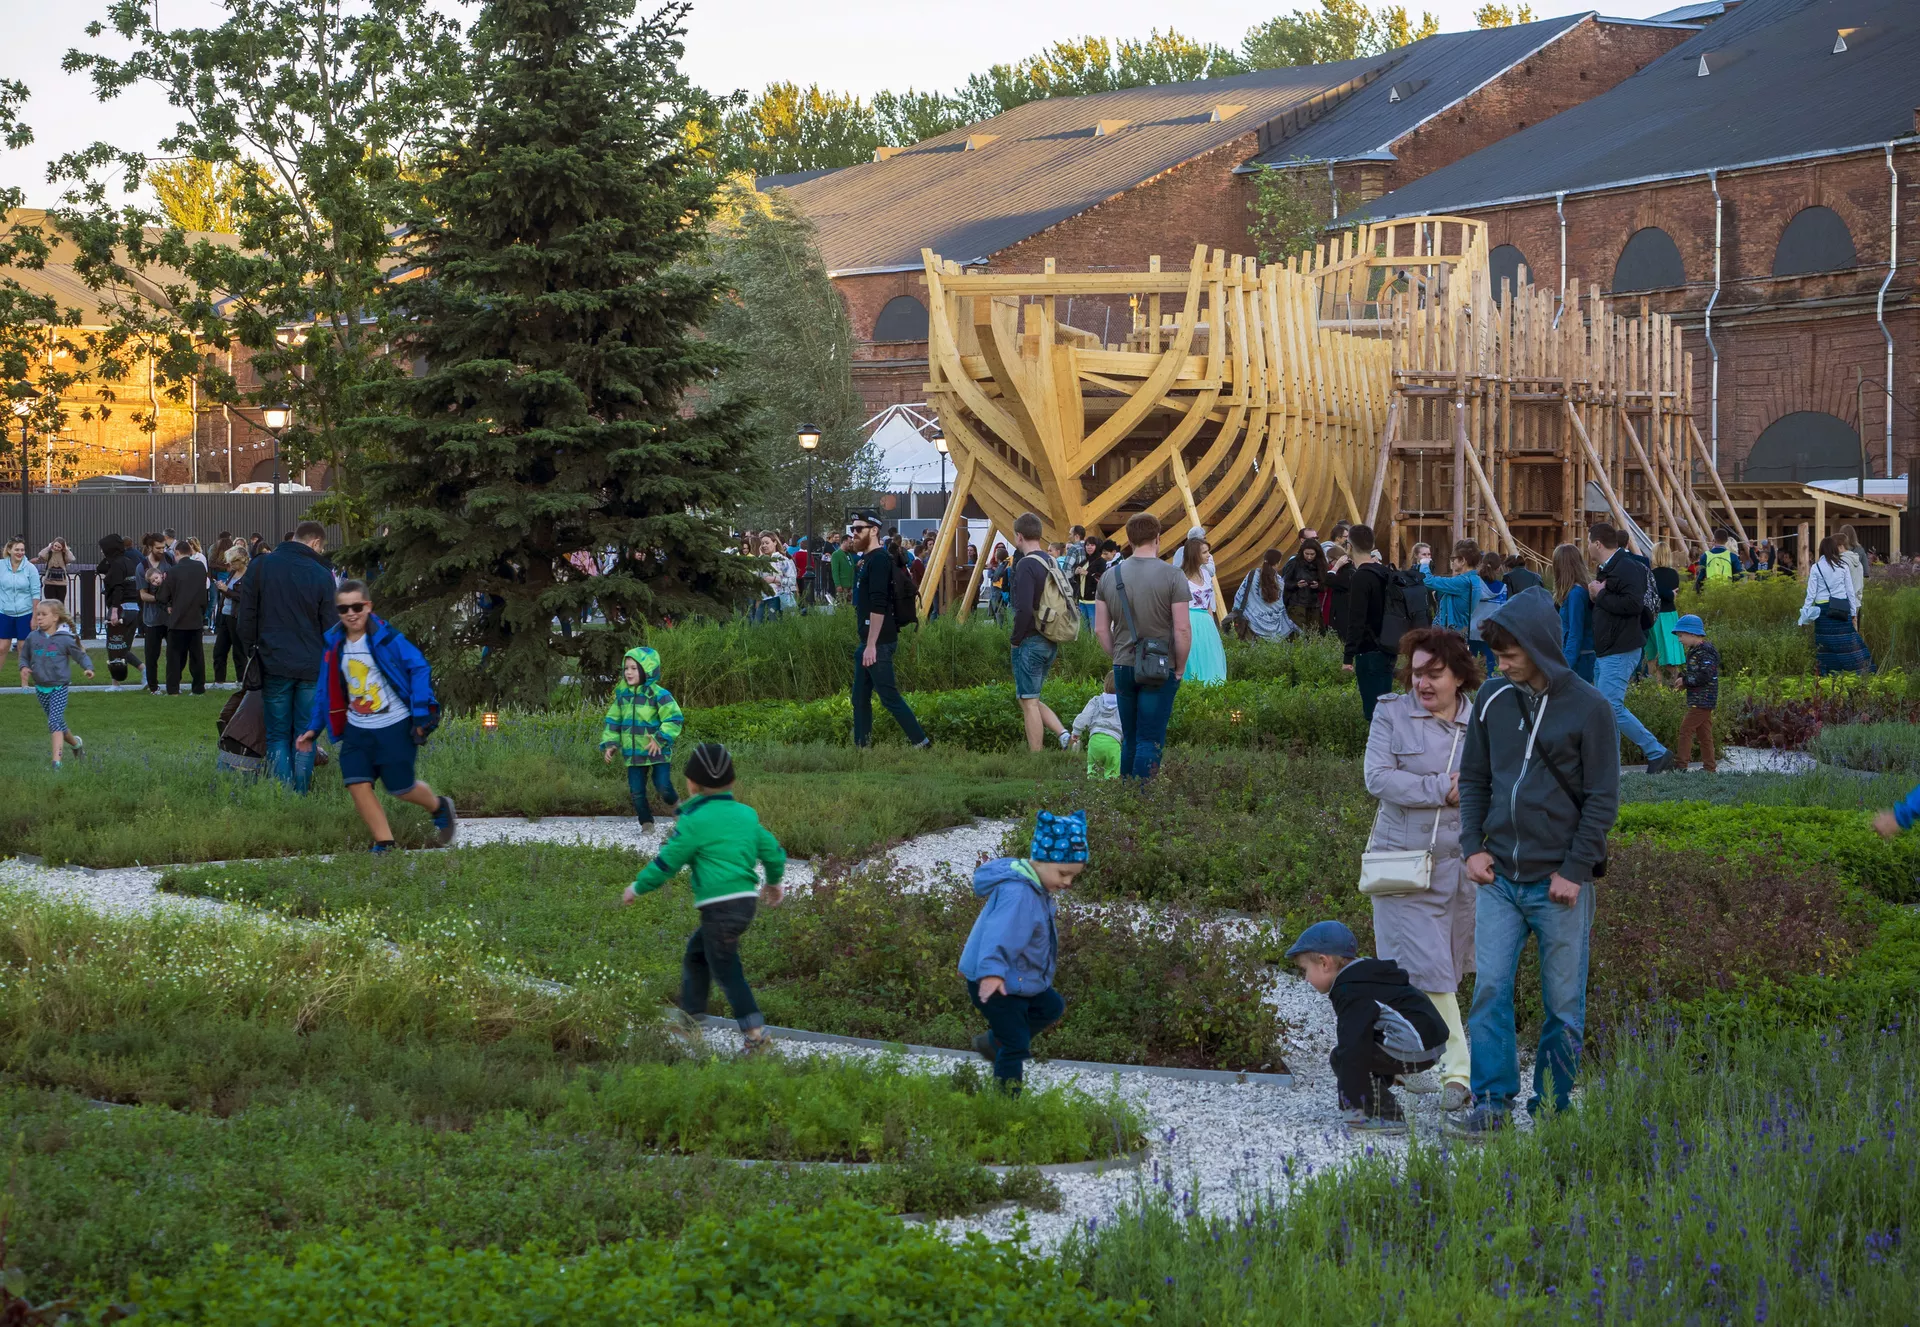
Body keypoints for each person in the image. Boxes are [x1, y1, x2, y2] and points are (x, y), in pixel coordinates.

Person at [1452, 588, 1620, 1137]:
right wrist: (1471, 846)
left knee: (1564, 1005)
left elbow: (1602, 799)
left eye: (1508, 655)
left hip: (1558, 884)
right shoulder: (1495, 700)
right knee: (1490, 991)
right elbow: (1474, 778)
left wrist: (1574, 871)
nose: (1498, 664)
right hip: (1499, 877)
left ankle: (1551, 1107)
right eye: (1496, 655)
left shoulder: (1591, 708)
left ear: (1540, 646)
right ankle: (1493, 1104)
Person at [1362, 627, 1480, 1110]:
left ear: (1459, 677)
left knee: (1434, 970)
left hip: (1462, 869)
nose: (1423, 684)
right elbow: (1377, 778)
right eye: (1416, 674)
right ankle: (1459, 1072)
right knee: (1431, 969)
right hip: (1403, 864)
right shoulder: (1391, 712)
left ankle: (1403, 1060)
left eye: (1435, 674)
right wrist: (1439, 788)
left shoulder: (1483, 721)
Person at [624, 742, 784, 1055]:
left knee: (727, 970)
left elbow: (667, 862)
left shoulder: (693, 822)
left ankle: (756, 1035)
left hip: (719, 908)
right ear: (733, 782)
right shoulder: (746, 815)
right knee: (698, 954)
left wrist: (638, 886)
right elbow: (774, 852)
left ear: (691, 783)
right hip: (744, 904)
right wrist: (774, 883)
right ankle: (690, 1021)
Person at [297, 579, 456, 853]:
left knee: (401, 788)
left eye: (357, 606)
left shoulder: (388, 638)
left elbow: (418, 667)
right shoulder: (335, 644)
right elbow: (326, 689)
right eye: (344, 609)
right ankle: (385, 843)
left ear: (368, 606)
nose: (351, 613)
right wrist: (314, 728)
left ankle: (439, 806)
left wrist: (420, 713)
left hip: (394, 726)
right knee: (356, 782)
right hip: (357, 729)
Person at [958, 809, 1087, 1092]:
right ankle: (1007, 1104)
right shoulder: (1019, 894)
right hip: (995, 980)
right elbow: (999, 934)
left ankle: (993, 1043)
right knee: (1016, 1044)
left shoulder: (1036, 887)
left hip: (1017, 978)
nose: (1067, 882)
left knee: (1051, 1005)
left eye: (1073, 876)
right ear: (1040, 860)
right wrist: (992, 972)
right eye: (1063, 873)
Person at [1286, 920, 1449, 1134]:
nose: (1306, 978)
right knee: (1363, 1048)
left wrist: (1351, 1106)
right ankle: (1378, 1102)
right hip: (1431, 1042)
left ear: (1324, 963)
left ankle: (1386, 1115)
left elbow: (1352, 1044)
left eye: (1305, 970)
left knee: (1342, 1056)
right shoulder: (1366, 975)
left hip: (1413, 1046)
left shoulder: (1349, 989)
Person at [236, 520, 338, 792]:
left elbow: (246, 618)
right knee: (305, 734)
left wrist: (252, 650)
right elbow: (330, 626)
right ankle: (301, 793)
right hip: (311, 665)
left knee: (277, 735)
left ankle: (283, 796)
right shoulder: (321, 573)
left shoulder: (260, 565)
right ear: (315, 543)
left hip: (273, 661)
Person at [1093, 512, 1191, 779]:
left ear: (1129, 539)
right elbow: (1182, 628)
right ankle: (1142, 802)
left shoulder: (1109, 577)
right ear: (1158, 538)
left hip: (1124, 664)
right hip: (1160, 666)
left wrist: (1119, 655)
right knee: (1150, 739)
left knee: (1131, 737)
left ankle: (1124, 799)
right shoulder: (1173, 576)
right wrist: (1180, 667)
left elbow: (1101, 629)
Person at [1586, 524, 1672, 773]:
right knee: (1606, 709)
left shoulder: (1625, 567)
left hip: (1620, 648)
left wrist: (1600, 594)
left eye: (1590, 542)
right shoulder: (1610, 567)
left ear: (1598, 543)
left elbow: (1633, 604)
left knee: (1610, 707)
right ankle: (1609, 764)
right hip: (1609, 648)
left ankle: (1657, 752)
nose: (1588, 547)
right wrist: (1598, 594)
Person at [849, 514, 931, 749]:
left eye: (859, 529)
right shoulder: (867, 560)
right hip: (868, 640)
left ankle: (922, 743)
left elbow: (878, 604)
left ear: (873, 530)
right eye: (852, 529)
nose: (854, 533)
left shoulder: (880, 561)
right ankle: (861, 746)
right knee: (860, 698)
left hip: (879, 642)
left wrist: (872, 645)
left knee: (889, 696)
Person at [601, 644, 685, 828]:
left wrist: (660, 738)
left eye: (634, 668)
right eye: (626, 668)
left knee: (662, 785)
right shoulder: (622, 696)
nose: (628, 673)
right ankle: (646, 822)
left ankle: (677, 806)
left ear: (647, 669)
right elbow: (613, 720)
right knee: (637, 791)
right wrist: (611, 743)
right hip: (634, 753)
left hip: (658, 751)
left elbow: (674, 718)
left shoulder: (659, 695)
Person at [1008, 511, 1070, 751]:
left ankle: (1037, 757)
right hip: (1050, 637)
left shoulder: (1026, 564)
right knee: (1030, 697)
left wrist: (1015, 640)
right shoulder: (1051, 561)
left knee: (1029, 701)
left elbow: (1023, 608)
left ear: (1019, 536)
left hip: (1031, 640)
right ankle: (1064, 736)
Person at [19, 598, 93, 768]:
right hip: (40, 687)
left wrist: (88, 667)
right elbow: (24, 656)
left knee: (53, 722)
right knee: (58, 723)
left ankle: (56, 764)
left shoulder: (65, 639)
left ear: (55, 617)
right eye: (38, 614)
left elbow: (80, 655)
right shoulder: (33, 637)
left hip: (59, 687)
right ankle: (76, 745)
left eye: (44, 614)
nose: (39, 618)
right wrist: (23, 667)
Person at [1338, 524, 1396, 722]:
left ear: (1349, 545)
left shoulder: (1361, 577)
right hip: (1388, 645)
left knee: (1374, 713)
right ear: (1372, 545)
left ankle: (1379, 752)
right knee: (1385, 707)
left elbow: (1356, 620)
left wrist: (1348, 657)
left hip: (1369, 650)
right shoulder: (1384, 572)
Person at [1800, 535, 1873, 676]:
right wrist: (1853, 613)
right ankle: (1860, 672)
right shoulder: (1842, 566)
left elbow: (1810, 594)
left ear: (1821, 550)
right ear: (1834, 549)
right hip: (1841, 608)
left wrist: (1803, 615)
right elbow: (1850, 592)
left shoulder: (1816, 568)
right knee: (1847, 642)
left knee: (1825, 645)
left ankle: (1827, 674)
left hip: (1823, 611)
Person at [157, 543, 209, 696]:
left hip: (178, 620)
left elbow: (162, 596)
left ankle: (173, 689)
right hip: (195, 618)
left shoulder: (172, 572)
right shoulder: (200, 568)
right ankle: (198, 688)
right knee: (197, 656)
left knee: (174, 657)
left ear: (177, 552)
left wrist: (167, 606)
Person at [1176, 526, 1227, 685]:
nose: (1208, 555)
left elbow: (1208, 604)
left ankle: (1213, 699)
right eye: (1204, 552)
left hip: (1206, 624)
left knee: (1210, 659)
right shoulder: (1180, 577)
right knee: (1193, 660)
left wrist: (1213, 626)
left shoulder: (1206, 574)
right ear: (1194, 555)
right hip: (1188, 622)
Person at [1671, 612, 1719, 773]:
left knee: (1686, 729)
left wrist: (1685, 681)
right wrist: (1683, 678)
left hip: (1703, 700)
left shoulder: (1705, 653)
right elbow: (1697, 674)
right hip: (1700, 699)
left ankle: (1681, 765)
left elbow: (1705, 675)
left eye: (1681, 635)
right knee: (1704, 735)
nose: (1679, 639)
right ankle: (1709, 767)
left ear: (1693, 634)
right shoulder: (1696, 651)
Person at [96, 535, 144, 684]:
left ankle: (115, 683)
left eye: (104, 549)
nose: (102, 552)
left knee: (114, 645)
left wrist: (115, 611)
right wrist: (108, 558)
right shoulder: (128, 562)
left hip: (120, 608)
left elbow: (118, 588)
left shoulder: (116, 565)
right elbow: (101, 568)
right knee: (123, 648)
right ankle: (145, 671)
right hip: (133, 608)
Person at [1231, 548, 1299, 643]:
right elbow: (1281, 606)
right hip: (1274, 627)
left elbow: (1240, 596)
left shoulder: (1252, 575)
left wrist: (1236, 612)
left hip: (1251, 622)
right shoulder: (1280, 582)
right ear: (1278, 562)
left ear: (1264, 559)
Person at [1551, 543, 1596, 684]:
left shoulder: (1575, 594)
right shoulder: (1580, 590)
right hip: (1580, 655)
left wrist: (1565, 667)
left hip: (1580, 658)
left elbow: (1575, 633)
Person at [1068, 672, 1123, 779]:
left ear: (1105, 684)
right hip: (1113, 743)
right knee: (1112, 770)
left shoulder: (1096, 701)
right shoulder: (1123, 703)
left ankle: (1092, 788)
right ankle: (1110, 791)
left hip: (1094, 742)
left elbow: (1084, 716)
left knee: (1093, 768)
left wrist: (1076, 731)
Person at [1424, 540, 1481, 637]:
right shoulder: (1475, 579)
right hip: (1463, 632)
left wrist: (1424, 564)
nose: (1452, 562)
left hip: (1452, 635)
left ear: (1462, 561)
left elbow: (1427, 580)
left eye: (1453, 559)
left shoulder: (1463, 581)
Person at [1645, 543, 1684, 683]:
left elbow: (1651, 593)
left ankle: (1657, 686)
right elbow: (1672, 594)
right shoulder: (1673, 574)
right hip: (1670, 615)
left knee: (1652, 653)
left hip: (1654, 616)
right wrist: (1668, 594)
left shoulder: (1651, 574)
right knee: (1671, 653)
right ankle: (1677, 683)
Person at [211, 545, 249, 685]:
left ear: (242, 560)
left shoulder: (248, 576)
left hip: (237, 616)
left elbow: (244, 598)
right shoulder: (232, 573)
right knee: (219, 650)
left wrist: (226, 590)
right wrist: (223, 588)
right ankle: (219, 681)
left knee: (238, 652)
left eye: (233, 562)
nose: (231, 565)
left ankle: (241, 680)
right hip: (225, 614)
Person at [1281, 538, 1328, 633]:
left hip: (1314, 605)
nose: (1309, 557)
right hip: (1296, 604)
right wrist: (1296, 585)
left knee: (1315, 633)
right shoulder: (1293, 563)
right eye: (1307, 554)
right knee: (1298, 633)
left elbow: (1325, 585)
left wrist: (1318, 586)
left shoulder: (1321, 564)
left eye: (1312, 554)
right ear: (1302, 552)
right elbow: (1284, 583)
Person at [751, 534, 796, 623]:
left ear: (775, 542)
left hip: (778, 598)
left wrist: (774, 579)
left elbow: (792, 580)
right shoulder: (761, 560)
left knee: (774, 625)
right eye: (762, 543)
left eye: (767, 543)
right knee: (757, 626)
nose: (764, 545)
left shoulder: (783, 560)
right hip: (762, 599)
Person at [1070, 535, 1106, 630]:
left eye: (1092, 545)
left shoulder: (1101, 562)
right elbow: (1078, 579)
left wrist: (1087, 573)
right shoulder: (1084, 561)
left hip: (1094, 601)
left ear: (1097, 547)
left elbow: (1102, 579)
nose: (1089, 547)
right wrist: (1076, 572)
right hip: (1082, 600)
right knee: (1084, 631)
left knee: (1095, 630)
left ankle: (1096, 645)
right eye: (1087, 545)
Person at [1838, 525, 1867, 628]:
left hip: (1841, 599)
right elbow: (1866, 573)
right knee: (1855, 629)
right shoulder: (1860, 550)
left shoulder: (1839, 554)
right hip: (1856, 598)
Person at [36, 539, 71, 612]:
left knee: (60, 604)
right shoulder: (49, 553)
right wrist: (48, 547)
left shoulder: (64, 554)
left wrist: (67, 550)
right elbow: (41, 555)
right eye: (55, 546)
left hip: (61, 583)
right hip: (49, 582)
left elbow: (71, 558)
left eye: (59, 547)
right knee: (50, 604)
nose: (56, 548)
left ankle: (59, 620)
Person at [830, 533, 857, 604]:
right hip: (842, 585)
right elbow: (835, 571)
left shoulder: (849, 554)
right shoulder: (836, 554)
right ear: (844, 542)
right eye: (850, 543)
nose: (851, 545)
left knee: (848, 605)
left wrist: (856, 565)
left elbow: (849, 567)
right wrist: (838, 584)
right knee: (841, 605)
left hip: (849, 585)